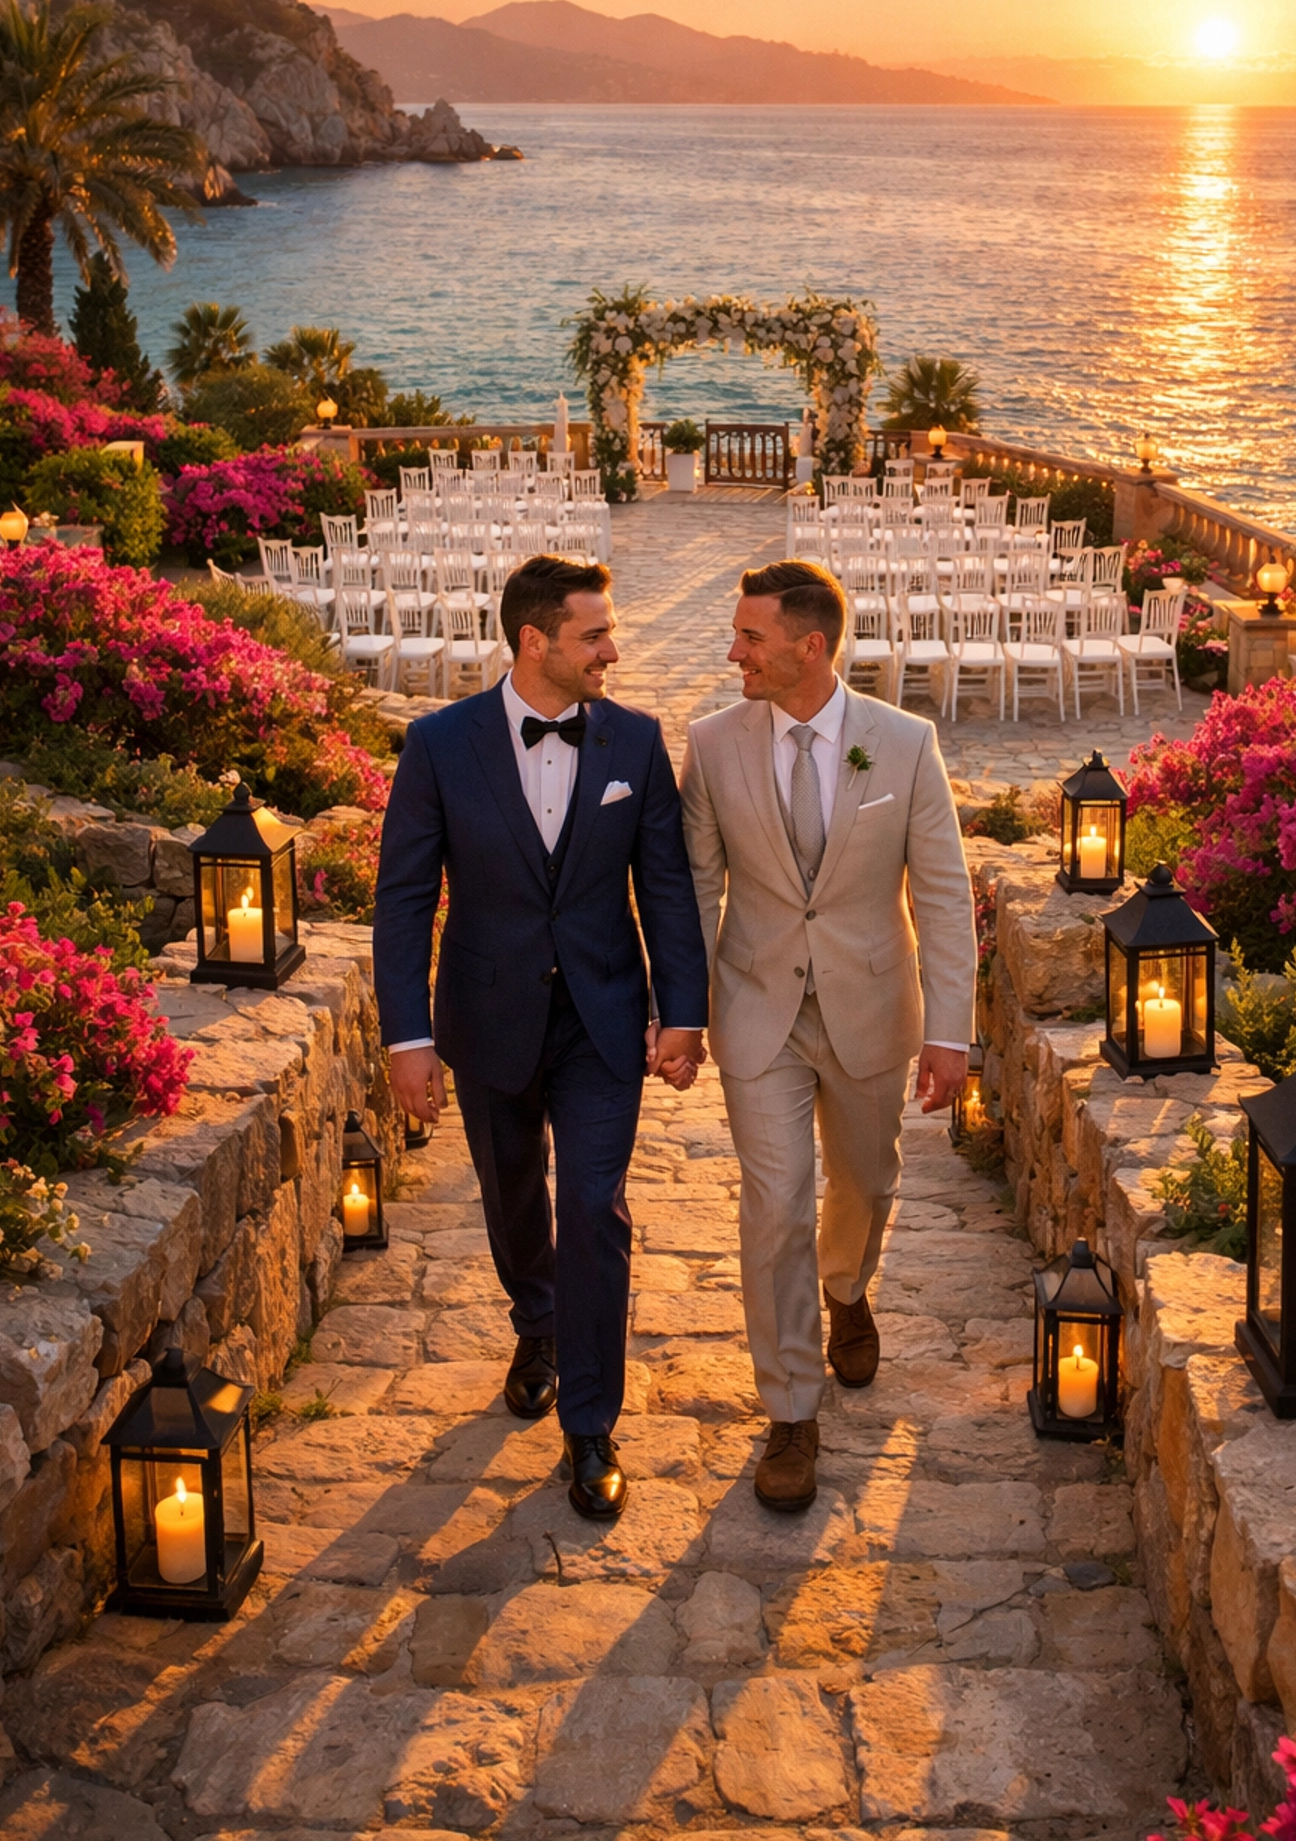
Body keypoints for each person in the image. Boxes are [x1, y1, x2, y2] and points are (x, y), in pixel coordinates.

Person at [373, 555, 707, 1521]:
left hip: (604, 1019)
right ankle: (538, 1323)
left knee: (594, 1209)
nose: (613, 649)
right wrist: (406, 1038)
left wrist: (682, 1013)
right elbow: (404, 902)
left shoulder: (637, 744)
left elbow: (668, 889)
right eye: (595, 634)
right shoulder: (439, 745)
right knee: (513, 1193)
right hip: (486, 1015)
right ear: (535, 641)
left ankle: (592, 1427)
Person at [680, 558, 975, 1511]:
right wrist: (682, 1014)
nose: (734, 652)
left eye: (750, 637)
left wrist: (952, 1032)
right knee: (774, 1206)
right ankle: (791, 1409)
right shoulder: (712, 745)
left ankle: (848, 1289)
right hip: (758, 1011)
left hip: (871, 1009)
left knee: (867, 1179)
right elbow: (692, 891)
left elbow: (941, 894)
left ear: (810, 647)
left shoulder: (904, 744)